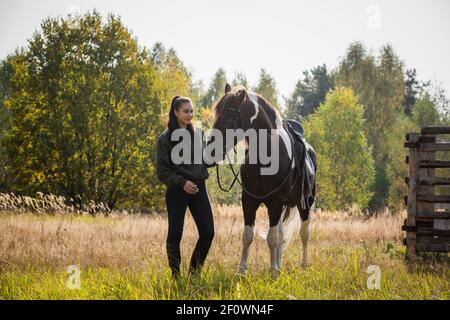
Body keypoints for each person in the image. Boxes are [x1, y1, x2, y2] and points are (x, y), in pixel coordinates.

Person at [156, 96, 215, 278]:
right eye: (186, 111)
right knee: (175, 234)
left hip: (198, 188)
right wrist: (182, 183)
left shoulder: (199, 134)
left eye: (191, 111)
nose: (190, 115)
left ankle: (194, 273)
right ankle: (176, 276)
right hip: (177, 191)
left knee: (208, 233)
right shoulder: (165, 139)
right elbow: (162, 172)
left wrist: (219, 152)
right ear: (175, 112)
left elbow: (206, 160)